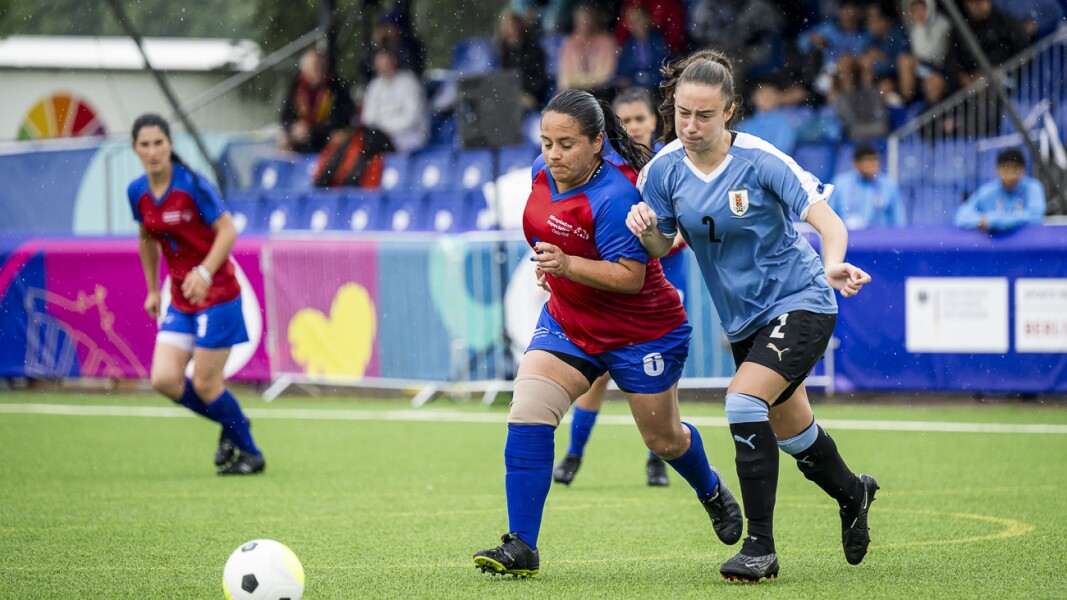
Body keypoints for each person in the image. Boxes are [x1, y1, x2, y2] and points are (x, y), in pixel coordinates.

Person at [626, 50, 878, 583]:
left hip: (803, 299)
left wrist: (833, 264)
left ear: (730, 112)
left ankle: (759, 547)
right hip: (743, 321)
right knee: (794, 434)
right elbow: (662, 244)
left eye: (705, 115)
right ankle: (854, 492)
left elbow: (827, 222)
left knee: (742, 401)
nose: (690, 126)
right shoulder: (663, 170)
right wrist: (645, 228)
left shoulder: (762, 159)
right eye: (682, 114)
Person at [472, 89, 742, 578]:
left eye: (566, 144)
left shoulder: (616, 195)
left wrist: (568, 264)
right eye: (547, 142)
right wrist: (551, 270)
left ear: (597, 143)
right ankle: (522, 546)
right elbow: (544, 229)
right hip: (569, 322)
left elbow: (630, 276)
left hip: (642, 333)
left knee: (663, 440)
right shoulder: (541, 172)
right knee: (528, 414)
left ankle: (710, 488)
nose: (553, 154)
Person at [552, 87, 689, 488]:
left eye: (639, 120)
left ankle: (657, 461)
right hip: (610, 290)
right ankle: (574, 455)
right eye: (625, 121)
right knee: (596, 377)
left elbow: (681, 222)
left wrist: (659, 239)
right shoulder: (609, 168)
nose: (632, 127)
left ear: (653, 122)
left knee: (662, 385)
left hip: (661, 291)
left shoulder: (664, 165)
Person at [128, 114, 264, 476]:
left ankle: (251, 453)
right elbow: (146, 237)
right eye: (145, 144)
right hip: (183, 300)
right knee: (164, 380)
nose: (153, 151)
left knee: (205, 383)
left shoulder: (192, 185)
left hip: (218, 294)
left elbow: (228, 230)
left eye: (159, 143)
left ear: (170, 145)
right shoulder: (137, 192)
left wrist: (204, 272)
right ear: (135, 149)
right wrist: (154, 289)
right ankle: (232, 421)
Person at [279, 48, 354, 154]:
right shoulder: (296, 87)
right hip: (301, 137)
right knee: (283, 138)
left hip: (325, 136)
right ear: (305, 70)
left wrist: (312, 130)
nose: (317, 71)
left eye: (320, 66)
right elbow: (285, 116)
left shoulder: (337, 88)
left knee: (338, 137)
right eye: (314, 67)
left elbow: (341, 120)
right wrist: (293, 128)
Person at [954, 149, 1046, 233]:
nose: (1011, 174)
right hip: (995, 249)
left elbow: (1036, 217)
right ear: (997, 169)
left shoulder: (1033, 187)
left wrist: (994, 221)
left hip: (1026, 247)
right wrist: (980, 221)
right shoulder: (988, 190)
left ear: (1023, 170)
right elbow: (961, 217)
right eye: (1006, 168)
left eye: (1015, 168)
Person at [361, 49, 429, 153]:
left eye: (386, 63)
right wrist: (382, 131)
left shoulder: (409, 82)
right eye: (380, 64)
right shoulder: (374, 86)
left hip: (410, 135)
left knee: (373, 147)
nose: (384, 67)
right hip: (381, 137)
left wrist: (385, 129)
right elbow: (368, 119)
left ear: (394, 61)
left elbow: (411, 119)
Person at [829, 144, 906, 228]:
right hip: (846, 235)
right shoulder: (841, 183)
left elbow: (899, 220)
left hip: (880, 237)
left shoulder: (889, 185)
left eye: (875, 161)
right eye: (868, 162)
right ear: (856, 164)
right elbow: (828, 215)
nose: (872, 167)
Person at [556, 4, 618, 97]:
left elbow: (605, 77)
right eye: (580, 20)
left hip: (599, 93)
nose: (583, 24)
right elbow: (564, 79)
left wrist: (580, 82)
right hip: (574, 93)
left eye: (586, 19)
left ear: (594, 20)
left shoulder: (606, 41)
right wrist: (583, 82)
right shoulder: (570, 43)